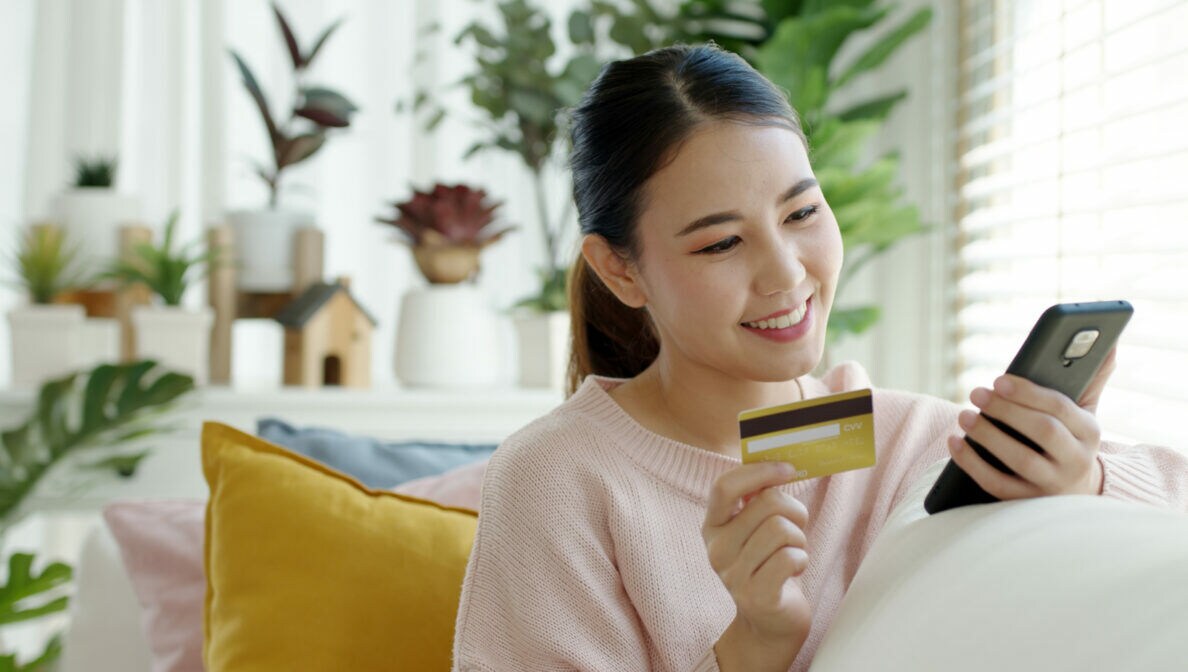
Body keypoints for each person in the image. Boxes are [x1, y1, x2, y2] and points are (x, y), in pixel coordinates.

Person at [451, 44, 1188, 672]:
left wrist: (1082, 481)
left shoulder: (902, 441)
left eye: (802, 213)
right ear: (621, 271)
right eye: (719, 243)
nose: (787, 274)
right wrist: (751, 646)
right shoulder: (558, 480)